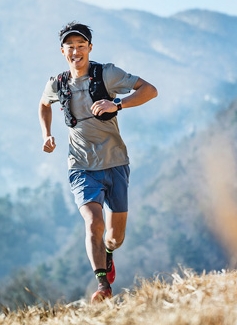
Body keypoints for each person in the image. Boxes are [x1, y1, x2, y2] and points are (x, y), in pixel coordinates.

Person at [38, 21, 158, 303]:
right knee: (93, 222)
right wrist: (46, 134)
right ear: (62, 51)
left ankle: (109, 254)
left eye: (81, 46)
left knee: (114, 237)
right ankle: (103, 285)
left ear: (90, 48)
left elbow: (150, 90)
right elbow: (44, 104)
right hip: (80, 166)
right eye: (71, 47)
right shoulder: (57, 83)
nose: (76, 51)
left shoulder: (107, 74)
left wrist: (117, 104)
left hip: (115, 162)